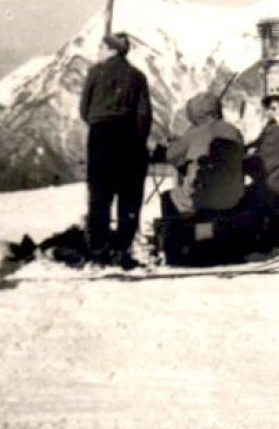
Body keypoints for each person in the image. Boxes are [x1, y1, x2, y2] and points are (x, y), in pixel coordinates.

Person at [78, 32, 154, 269]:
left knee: (99, 196)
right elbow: (144, 115)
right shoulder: (137, 76)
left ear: (112, 49)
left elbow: (84, 109)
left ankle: (99, 251)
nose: (98, 51)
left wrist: (98, 123)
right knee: (129, 197)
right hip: (129, 136)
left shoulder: (95, 72)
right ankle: (123, 248)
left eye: (102, 47)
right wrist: (138, 142)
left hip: (101, 136)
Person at [163, 91, 246, 217]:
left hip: (201, 199)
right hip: (232, 199)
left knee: (168, 196)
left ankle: (174, 234)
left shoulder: (194, 133)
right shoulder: (234, 131)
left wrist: (177, 142)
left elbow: (171, 156)